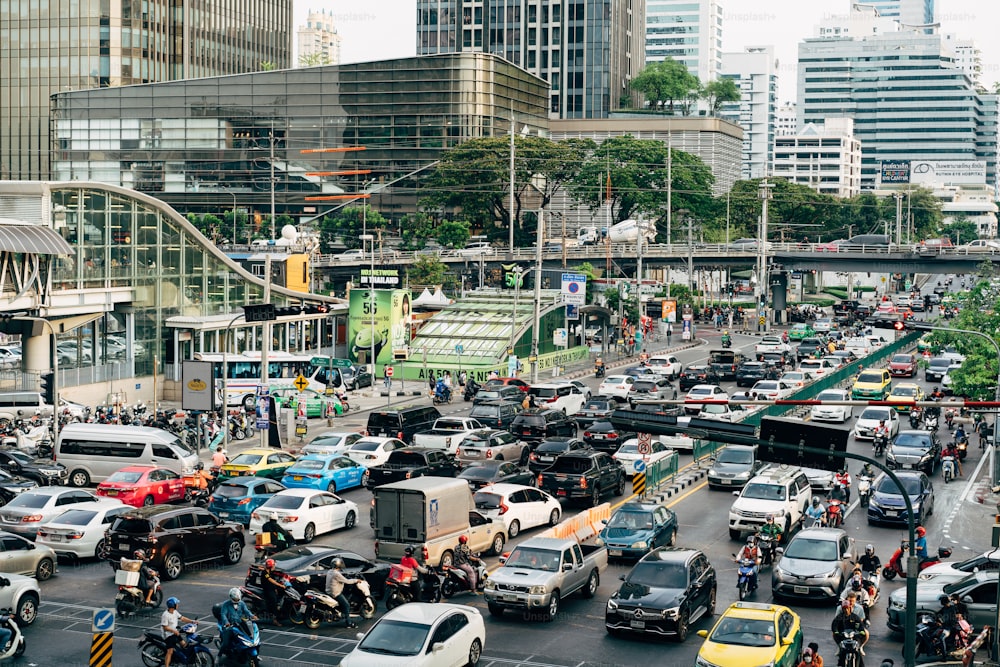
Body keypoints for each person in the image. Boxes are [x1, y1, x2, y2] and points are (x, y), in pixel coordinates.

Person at [832, 592, 870, 659]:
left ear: (855, 601)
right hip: (843, 627)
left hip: (855, 627)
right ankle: (839, 647)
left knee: (866, 633)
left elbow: (860, 620)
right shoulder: (840, 608)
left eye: (853, 601)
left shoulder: (859, 608)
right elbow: (836, 621)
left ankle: (860, 647)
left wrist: (859, 629)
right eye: (849, 601)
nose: (851, 603)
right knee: (834, 634)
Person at [219, 588, 256, 656]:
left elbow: (246, 611)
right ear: (230, 597)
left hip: (239, 623)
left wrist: (252, 616)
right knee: (226, 643)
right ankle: (218, 656)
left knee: (249, 637)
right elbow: (223, 614)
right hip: (229, 625)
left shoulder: (241, 603)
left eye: (238, 600)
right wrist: (227, 622)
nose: (236, 601)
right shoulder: (226, 604)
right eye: (235, 600)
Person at [324, 558, 359, 629]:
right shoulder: (336, 574)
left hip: (328, 591)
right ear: (339, 565)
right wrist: (356, 580)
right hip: (335, 593)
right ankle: (348, 623)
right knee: (346, 605)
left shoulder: (330, 571)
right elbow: (347, 581)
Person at [161, 597, 195, 667]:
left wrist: (192, 621)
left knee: (184, 645)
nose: (178, 605)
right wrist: (173, 631)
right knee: (170, 651)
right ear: (173, 605)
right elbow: (165, 627)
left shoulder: (175, 612)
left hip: (175, 633)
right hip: (168, 635)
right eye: (177, 604)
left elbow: (182, 618)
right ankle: (166, 665)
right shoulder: (165, 615)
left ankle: (180, 659)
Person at [261, 558, 284, 626]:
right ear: (270, 566)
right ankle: (274, 619)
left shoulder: (270, 572)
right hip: (267, 591)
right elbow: (271, 580)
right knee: (274, 603)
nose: (274, 567)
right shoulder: (265, 573)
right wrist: (280, 585)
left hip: (271, 589)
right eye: (273, 566)